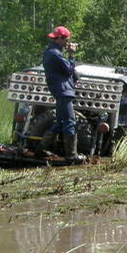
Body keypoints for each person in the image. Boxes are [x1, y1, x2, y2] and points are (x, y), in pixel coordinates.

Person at [41, 25, 85, 162]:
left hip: (60, 90)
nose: (67, 43)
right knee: (70, 122)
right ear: (59, 39)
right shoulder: (54, 53)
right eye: (66, 40)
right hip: (63, 91)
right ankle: (71, 155)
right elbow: (69, 70)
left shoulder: (51, 52)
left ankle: (40, 148)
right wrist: (71, 55)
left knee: (60, 122)